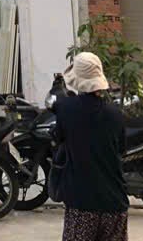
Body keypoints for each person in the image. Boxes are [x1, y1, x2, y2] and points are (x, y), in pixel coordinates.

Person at [54, 51, 128, 241]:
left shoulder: (66, 109)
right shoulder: (115, 114)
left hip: (82, 203)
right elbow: (121, 149)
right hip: (115, 203)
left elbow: (59, 138)